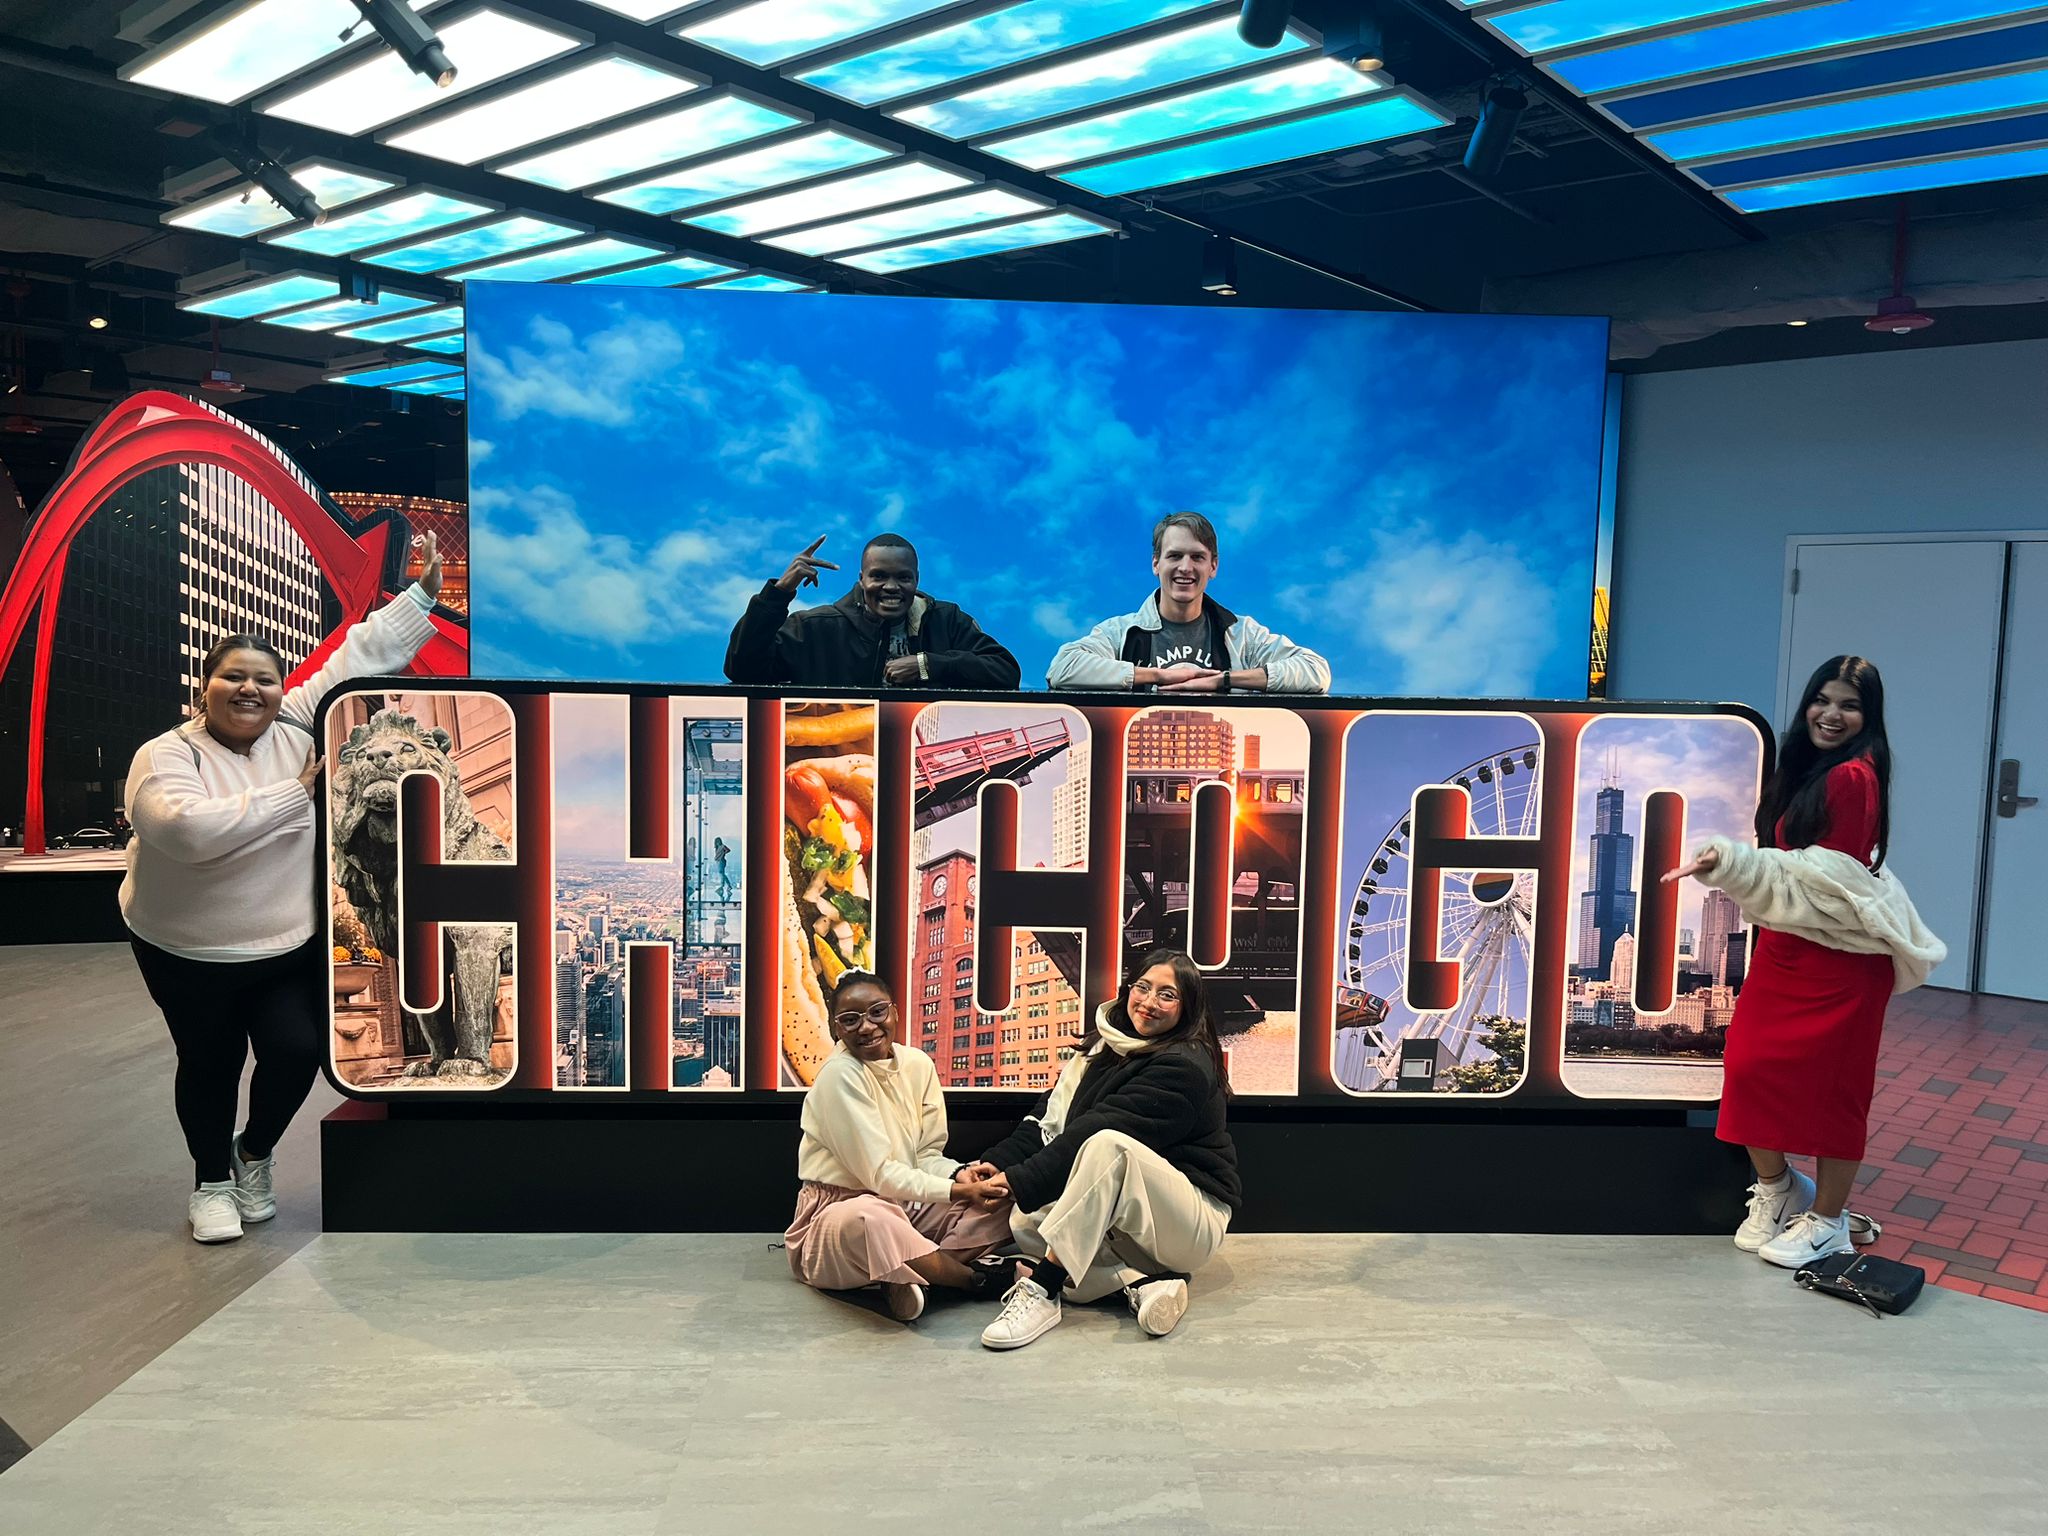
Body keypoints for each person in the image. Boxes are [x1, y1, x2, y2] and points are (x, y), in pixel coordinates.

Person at [121, 535, 446, 1244]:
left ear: (280, 691)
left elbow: (354, 658)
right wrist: (296, 795)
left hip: (280, 943)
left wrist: (421, 596)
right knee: (209, 1064)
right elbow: (188, 833)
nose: (250, 690)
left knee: (298, 1051)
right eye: (233, 677)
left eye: (264, 680)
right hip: (185, 948)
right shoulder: (166, 756)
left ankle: (254, 1153)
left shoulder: (296, 726)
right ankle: (210, 1181)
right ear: (203, 688)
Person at [1664, 656, 1944, 1270]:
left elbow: (1825, 879)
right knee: (1748, 1068)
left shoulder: (1854, 777)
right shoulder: (1805, 769)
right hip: (1786, 951)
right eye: (1822, 699)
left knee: (1835, 1093)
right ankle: (1780, 1188)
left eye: (1849, 705)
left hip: (1842, 963)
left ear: (1868, 718)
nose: (1831, 714)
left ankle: (1830, 1222)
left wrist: (1732, 864)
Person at [963, 948, 1240, 1350]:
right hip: (1135, 1220)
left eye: (1167, 995)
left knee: (1109, 1146)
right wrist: (996, 1163)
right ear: (1128, 989)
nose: (1148, 1002)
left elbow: (1096, 1129)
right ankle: (1140, 1284)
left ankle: (1044, 1289)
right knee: (1027, 1219)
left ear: (1188, 1008)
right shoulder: (1104, 1049)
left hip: (1190, 1220)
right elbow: (1047, 1120)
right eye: (1142, 987)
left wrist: (1017, 1180)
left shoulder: (1184, 1066)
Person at [785, 971, 1015, 1321]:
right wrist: (955, 1192)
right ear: (836, 1029)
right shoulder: (839, 1075)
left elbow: (924, 1156)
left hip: (907, 1204)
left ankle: (913, 1272)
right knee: (870, 1218)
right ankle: (973, 1279)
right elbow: (880, 1177)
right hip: (838, 1212)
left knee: (1003, 1196)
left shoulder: (918, 1065)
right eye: (850, 1020)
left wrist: (961, 1176)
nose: (866, 1027)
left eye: (877, 1012)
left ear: (894, 1012)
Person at [1045, 512, 1329, 694]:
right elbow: (1062, 669)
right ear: (1156, 564)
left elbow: (1315, 671)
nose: (1185, 567)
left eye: (1197, 557)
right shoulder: (1120, 633)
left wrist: (1225, 680)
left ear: (1213, 566)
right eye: (1174, 556)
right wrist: (1155, 676)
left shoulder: (1242, 634)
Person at [724, 533, 1020, 690]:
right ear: (862, 578)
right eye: (879, 576)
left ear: (916, 580)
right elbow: (742, 670)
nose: (891, 587)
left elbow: (1005, 672)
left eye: (903, 578)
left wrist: (927, 664)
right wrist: (778, 594)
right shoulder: (816, 626)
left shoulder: (947, 620)